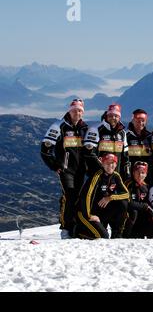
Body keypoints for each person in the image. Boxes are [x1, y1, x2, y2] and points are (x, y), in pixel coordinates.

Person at [41, 98, 88, 238]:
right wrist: (54, 165)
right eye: (74, 110)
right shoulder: (58, 126)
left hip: (80, 170)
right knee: (69, 195)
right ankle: (65, 228)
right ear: (69, 111)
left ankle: (76, 227)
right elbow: (45, 150)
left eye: (80, 111)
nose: (77, 113)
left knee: (79, 197)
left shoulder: (84, 128)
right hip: (65, 169)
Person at [75, 153, 129, 239]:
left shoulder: (116, 176)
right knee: (103, 237)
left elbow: (126, 194)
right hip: (85, 212)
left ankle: (117, 233)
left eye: (112, 163)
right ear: (102, 163)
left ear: (116, 164)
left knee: (123, 203)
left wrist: (110, 198)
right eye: (107, 163)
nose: (110, 166)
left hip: (99, 211)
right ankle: (78, 232)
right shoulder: (97, 175)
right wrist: (89, 215)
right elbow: (86, 196)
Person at [83, 104, 130, 180]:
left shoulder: (122, 133)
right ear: (106, 116)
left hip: (115, 176)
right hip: (98, 175)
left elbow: (125, 157)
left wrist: (127, 174)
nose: (113, 118)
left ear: (119, 118)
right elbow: (89, 154)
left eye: (116, 116)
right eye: (110, 115)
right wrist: (103, 169)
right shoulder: (95, 129)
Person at [123, 161, 153, 238]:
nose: (140, 175)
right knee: (133, 212)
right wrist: (145, 206)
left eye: (142, 173)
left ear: (146, 174)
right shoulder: (128, 184)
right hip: (128, 212)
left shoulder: (146, 186)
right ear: (133, 172)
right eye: (137, 172)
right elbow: (129, 203)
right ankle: (125, 236)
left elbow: (149, 203)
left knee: (151, 215)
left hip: (141, 215)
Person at [126, 109, 153, 180]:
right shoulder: (126, 136)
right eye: (138, 120)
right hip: (130, 174)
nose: (140, 123)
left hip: (146, 174)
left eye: (143, 120)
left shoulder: (150, 136)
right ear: (133, 120)